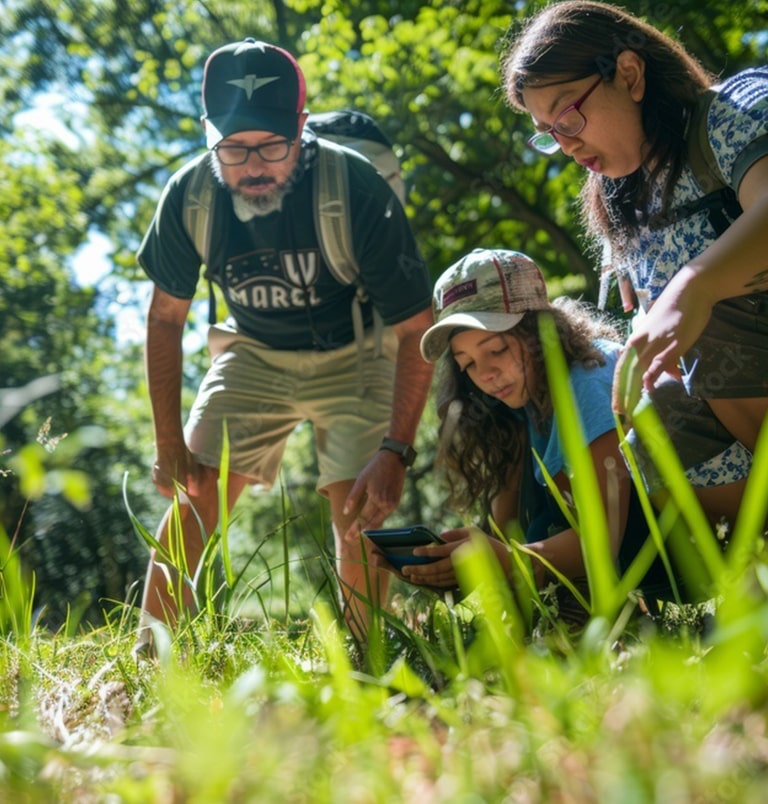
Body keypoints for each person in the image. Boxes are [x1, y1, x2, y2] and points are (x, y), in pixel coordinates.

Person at [135, 39, 434, 641]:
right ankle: (150, 656)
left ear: (302, 126)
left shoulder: (356, 188)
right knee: (194, 492)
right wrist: (168, 439)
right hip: (253, 353)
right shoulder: (190, 195)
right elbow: (165, 319)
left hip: (356, 350)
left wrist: (395, 449)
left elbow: (414, 329)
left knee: (359, 511)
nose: (253, 165)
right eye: (234, 148)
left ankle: (366, 653)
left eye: (273, 145)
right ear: (208, 134)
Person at [501, 1, 768, 532]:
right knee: (652, 415)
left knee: (704, 321)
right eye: (548, 132)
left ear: (629, 73)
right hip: (738, 415)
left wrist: (693, 288)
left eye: (568, 114)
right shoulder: (618, 202)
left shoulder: (734, 109)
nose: (567, 142)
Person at [388, 248, 674, 608]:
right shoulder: (516, 405)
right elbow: (506, 532)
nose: (485, 374)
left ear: (539, 329)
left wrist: (505, 561)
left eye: (496, 349)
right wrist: (446, 562)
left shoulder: (587, 382)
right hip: (617, 564)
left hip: (680, 549)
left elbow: (602, 541)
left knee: (544, 534)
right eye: (468, 364)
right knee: (537, 528)